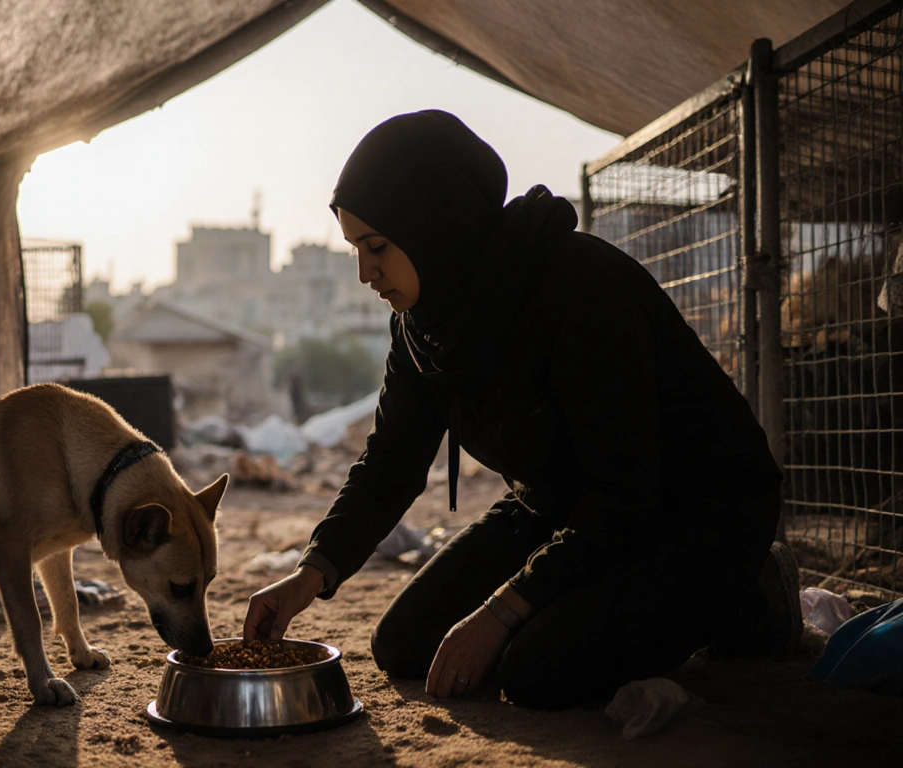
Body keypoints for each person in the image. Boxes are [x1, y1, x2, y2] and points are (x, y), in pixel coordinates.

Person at [241, 110, 800, 710]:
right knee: (404, 645)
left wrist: (507, 607)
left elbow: (626, 491)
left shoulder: (580, 287)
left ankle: (756, 591)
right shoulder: (423, 325)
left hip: (690, 508)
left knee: (537, 669)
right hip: (561, 504)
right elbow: (391, 462)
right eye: (355, 249)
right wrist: (312, 574)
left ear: (436, 225)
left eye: (377, 246)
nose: (364, 273)